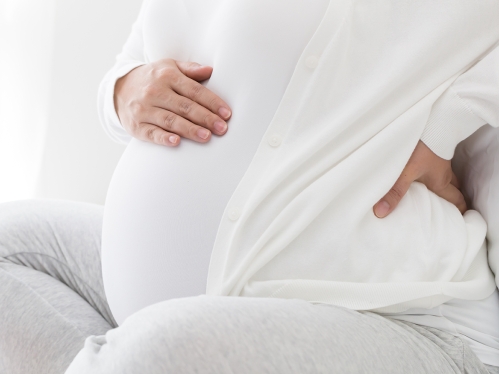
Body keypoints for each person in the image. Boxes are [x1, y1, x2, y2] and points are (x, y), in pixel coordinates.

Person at [1, 1, 498, 373]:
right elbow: (134, 61)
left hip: (395, 310)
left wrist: (449, 123)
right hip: (185, 315)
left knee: (153, 353)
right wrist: (124, 90)